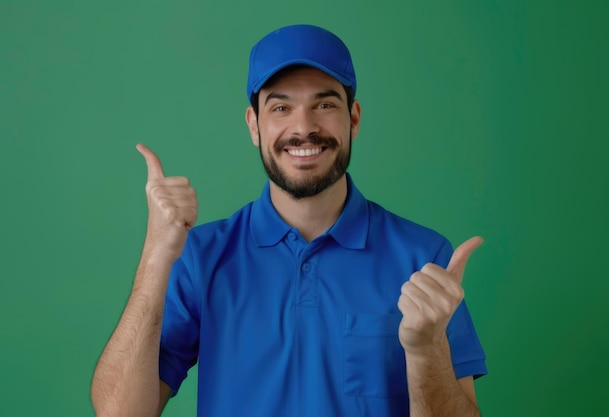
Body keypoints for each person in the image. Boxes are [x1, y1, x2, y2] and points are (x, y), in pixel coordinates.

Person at [91, 24, 487, 417]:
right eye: (281, 107)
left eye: (324, 105)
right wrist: (155, 255)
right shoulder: (201, 257)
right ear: (253, 125)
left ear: (354, 119)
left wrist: (425, 352)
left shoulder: (423, 257)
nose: (303, 128)